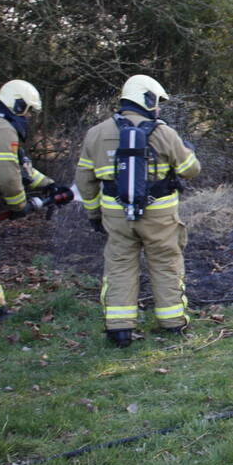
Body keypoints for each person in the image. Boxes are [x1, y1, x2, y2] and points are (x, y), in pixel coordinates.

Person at [74, 75, 201, 348]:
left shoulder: (96, 133)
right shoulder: (164, 133)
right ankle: (173, 322)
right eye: (157, 103)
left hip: (116, 215)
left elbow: (85, 180)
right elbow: (191, 170)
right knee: (166, 264)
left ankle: (119, 328)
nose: (158, 109)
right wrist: (186, 149)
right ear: (147, 99)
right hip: (159, 214)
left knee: (119, 266)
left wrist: (94, 213)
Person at [0, 80, 68, 323]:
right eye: (28, 111)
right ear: (18, 104)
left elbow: (20, 168)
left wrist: (49, 184)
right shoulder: (2, 128)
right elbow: (7, 175)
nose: (29, 118)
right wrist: (19, 205)